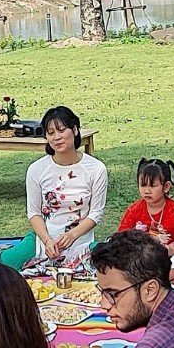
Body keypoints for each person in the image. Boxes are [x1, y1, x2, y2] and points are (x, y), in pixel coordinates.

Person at [24, 105, 109, 269]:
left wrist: (72, 235)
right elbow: (34, 212)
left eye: (62, 130)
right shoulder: (36, 169)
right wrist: (47, 240)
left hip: (81, 242)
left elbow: (96, 213)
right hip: (45, 241)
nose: (57, 137)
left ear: (75, 130)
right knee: (2, 265)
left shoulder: (96, 169)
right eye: (51, 133)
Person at [118, 158, 174, 255]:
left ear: (166, 187)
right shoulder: (134, 210)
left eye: (152, 186)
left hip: (170, 254)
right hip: (141, 253)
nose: (147, 191)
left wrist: (170, 251)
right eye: (143, 185)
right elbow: (121, 236)